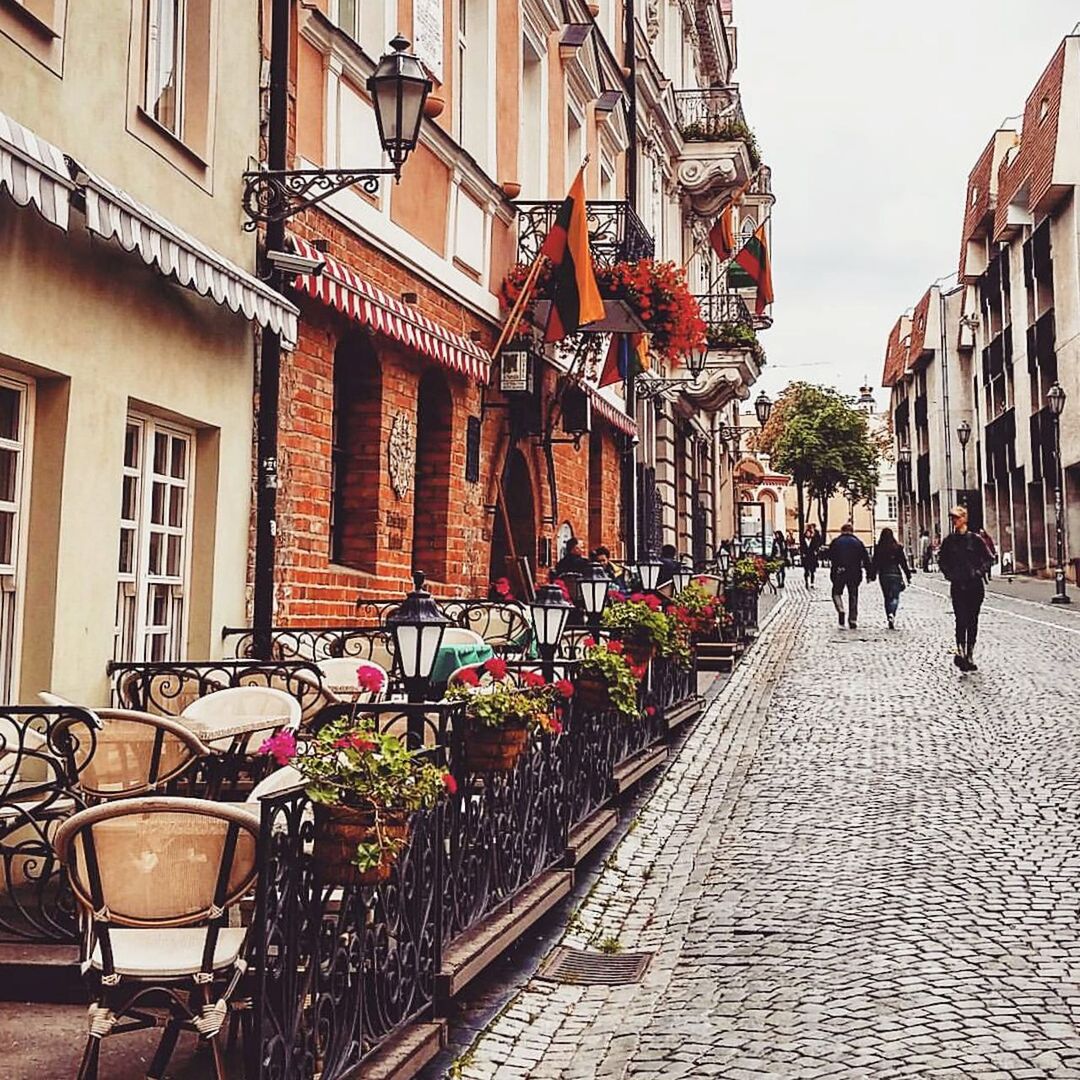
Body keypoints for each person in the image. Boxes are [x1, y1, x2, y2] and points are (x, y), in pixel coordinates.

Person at [938, 505, 992, 672]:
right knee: (960, 619)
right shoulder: (949, 541)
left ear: (964, 519)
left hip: (974, 585)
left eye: (957, 517)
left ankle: (970, 653)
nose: (955, 521)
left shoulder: (975, 539)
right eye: (953, 518)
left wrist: (979, 572)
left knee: (972, 620)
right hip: (958, 585)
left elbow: (989, 558)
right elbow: (942, 560)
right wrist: (949, 574)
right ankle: (961, 652)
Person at [828, 522, 871, 629]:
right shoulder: (858, 543)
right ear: (852, 531)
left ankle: (841, 609)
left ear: (842, 531)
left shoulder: (836, 542)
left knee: (836, 593)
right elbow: (866, 559)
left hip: (840, 571)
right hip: (854, 572)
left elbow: (830, 556)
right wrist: (869, 574)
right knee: (853, 596)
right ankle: (852, 619)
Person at [870, 527, 912, 630]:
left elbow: (875, 563)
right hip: (895, 574)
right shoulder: (897, 547)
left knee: (887, 597)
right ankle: (892, 613)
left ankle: (889, 613)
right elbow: (903, 562)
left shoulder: (879, 548)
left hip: (883, 575)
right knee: (895, 597)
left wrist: (872, 575)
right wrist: (908, 575)